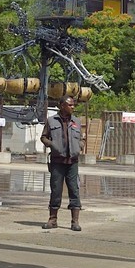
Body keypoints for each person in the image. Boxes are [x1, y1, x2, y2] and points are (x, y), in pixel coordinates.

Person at [40, 95, 84, 230]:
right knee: (56, 190)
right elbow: (43, 137)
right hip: (57, 162)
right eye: (70, 105)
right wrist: (52, 145)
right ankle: (53, 220)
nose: (73, 107)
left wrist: (79, 146)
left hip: (72, 162)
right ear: (62, 106)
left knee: (74, 190)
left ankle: (75, 221)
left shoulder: (76, 121)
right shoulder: (51, 121)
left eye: (73, 105)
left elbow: (81, 139)